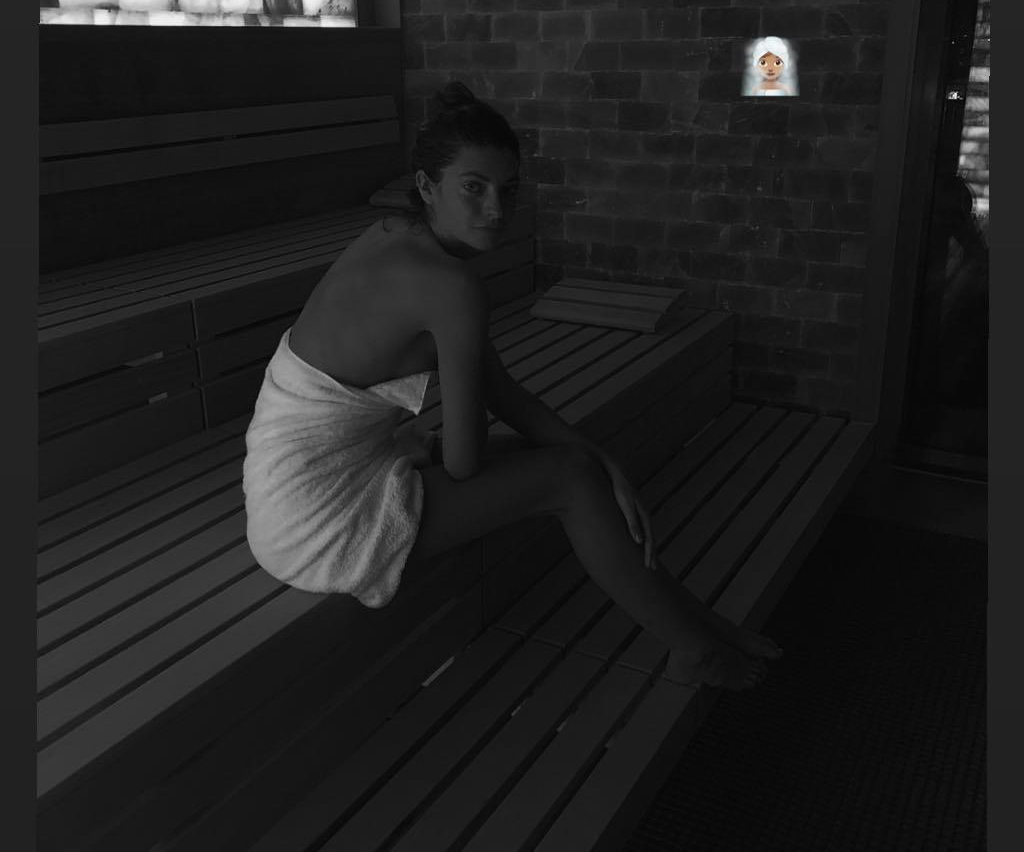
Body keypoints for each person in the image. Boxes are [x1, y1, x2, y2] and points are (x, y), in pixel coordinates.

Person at [243, 81, 782, 690]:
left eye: (509, 189)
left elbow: (500, 390)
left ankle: (698, 625)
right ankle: (694, 648)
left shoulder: (397, 233)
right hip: (316, 518)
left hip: (299, 479)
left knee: (579, 465)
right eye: (473, 188)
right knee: (568, 480)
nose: (496, 209)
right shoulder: (448, 286)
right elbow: (465, 464)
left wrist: (603, 458)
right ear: (426, 185)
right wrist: (585, 464)